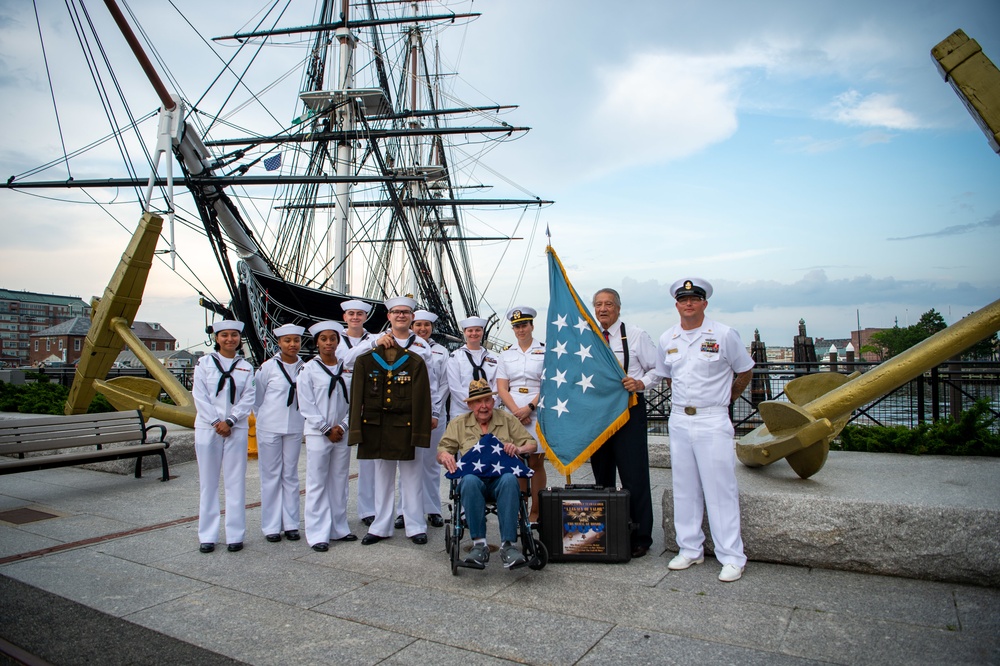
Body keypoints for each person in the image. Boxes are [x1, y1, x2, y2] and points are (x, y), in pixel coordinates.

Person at [656, 278, 754, 582]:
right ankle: (690, 549)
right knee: (685, 486)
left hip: (712, 419)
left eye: (694, 299)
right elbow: (667, 375)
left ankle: (732, 556)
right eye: (683, 299)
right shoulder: (667, 338)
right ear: (676, 304)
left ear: (704, 303)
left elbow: (745, 370)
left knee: (720, 488)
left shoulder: (724, 334)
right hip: (680, 418)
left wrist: (727, 398)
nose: (689, 304)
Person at [348, 296, 433, 545]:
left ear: (412, 317)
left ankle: (415, 524)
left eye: (406, 312)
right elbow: (349, 363)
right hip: (379, 424)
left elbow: (431, 388)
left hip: (407, 422)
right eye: (396, 312)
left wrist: (429, 418)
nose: (401, 316)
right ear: (389, 316)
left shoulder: (422, 349)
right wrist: (374, 342)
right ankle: (381, 525)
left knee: (412, 475)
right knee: (381, 476)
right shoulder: (372, 343)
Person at [591, 288, 663, 559]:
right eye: (598, 304)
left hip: (629, 410)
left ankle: (641, 535)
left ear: (618, 308)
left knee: (634, 476)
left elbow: (658, 368)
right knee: (603, 476)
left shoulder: (635, 335)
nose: (603, 309)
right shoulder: (590, 338)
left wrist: (641, 382)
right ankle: (607, 529)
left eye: (608, 304)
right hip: (599, 414)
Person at [437, 378, 537, 569]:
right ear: (470, 405)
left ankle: (509, 546)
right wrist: (445, 456)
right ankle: (479, 545)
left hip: (500, 481)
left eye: (487, 401)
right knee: (469, 480)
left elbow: (532, 444)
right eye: (477, 402)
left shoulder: (506, 419)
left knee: (509, 479)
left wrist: (517, 448)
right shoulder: (459, 423)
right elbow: (443, 449)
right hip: (474, 484)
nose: (483, 406)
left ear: (493, 402)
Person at [192, 320, 256, 553]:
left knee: (235, 482)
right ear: (216, 338)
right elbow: (199, 396)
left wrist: (230, 421)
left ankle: (235, 535)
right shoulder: (204, 364)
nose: (230, 339)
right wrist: (216, 422)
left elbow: (248, 397)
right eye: (224, 335)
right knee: (208, 484)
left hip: (235, 429)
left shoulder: (246, 367)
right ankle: (207, 535)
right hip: (208, 429)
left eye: (234, 335)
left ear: (240, 338)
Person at [299, 321, 355, 551]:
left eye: (333, 338)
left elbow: (355, 402)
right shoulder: (308, 369)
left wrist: (343, 425)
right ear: (317, 343)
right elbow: (306, 404)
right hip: (318, 433)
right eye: (324, 339)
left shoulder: (348, 368)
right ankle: (317, 533)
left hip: (342, 432)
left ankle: (338, 527)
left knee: (339, 481)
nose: (329, 343)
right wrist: (325, 428)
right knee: (317, 482)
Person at [253, 323, 305, 543]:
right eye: (287, 341)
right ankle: (271, 525)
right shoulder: (268, 368)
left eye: (296, 340)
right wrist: (265, 419)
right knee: (271, 475)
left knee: (290, 475)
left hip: (294, 426)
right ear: (279, 343)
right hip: (269, 427)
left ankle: (291, 523)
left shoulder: (306, 367)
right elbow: (258, 399)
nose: (292, 345)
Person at [397, 309, 449, 528]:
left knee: (430, 463)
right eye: (418, 325)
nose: (422, 329)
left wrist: (434, 411)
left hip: (435, 414)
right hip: (407, 413)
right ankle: (403, 510)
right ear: (412, 325)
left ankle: (432, 508)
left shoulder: (441, 352)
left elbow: (444, 384)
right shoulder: (404, 346)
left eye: (427, 325)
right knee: (406, 462)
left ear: (432, 328)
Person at [496, 306, 546, 522]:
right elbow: (501, 388)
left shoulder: (546, 351)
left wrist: (530, 408)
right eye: (516, 326)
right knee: (515, 461)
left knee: (536, 462)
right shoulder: (506, 354)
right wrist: (517, 411)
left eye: (524, 325)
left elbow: (549, 385)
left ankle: (536, 510)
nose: (521, 329)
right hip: (513, 410)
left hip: (538, 409)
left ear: (532, 326)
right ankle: (520, 508)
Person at [337, 299, 380, 527]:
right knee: (340, 461)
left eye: (360, 314)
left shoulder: (374, 338)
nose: (355, 317)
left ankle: (368, 510)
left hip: (368, 397)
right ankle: (338, 511)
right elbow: (342, 361)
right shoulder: (335, 338)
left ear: (365, 317)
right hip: (340, 399)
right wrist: (370, 348)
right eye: (351, 313)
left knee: (368, 459)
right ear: (345, 317)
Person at [446, 316, 499, 419]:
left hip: (488, 412)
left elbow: (497, 385)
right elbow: (455, 387)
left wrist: (489, 405)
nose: (474, 333)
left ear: (482, 332)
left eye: (477, 330)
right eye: (470, 330)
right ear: (464, 332)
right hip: (462, 412)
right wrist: (475, 406)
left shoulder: (493, 359)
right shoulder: (455, 357)